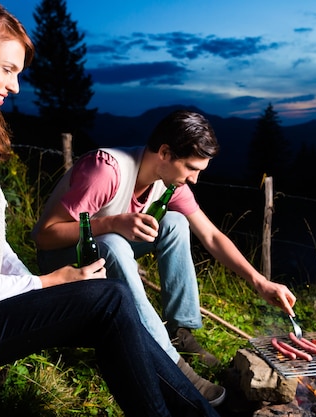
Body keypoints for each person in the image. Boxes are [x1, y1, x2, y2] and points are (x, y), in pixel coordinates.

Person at [0, 1, 223, 415]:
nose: (15, 87)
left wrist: (44, 282)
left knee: (106, 297)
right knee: (106, 300)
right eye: (7, 69)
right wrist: (46, 284)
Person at [31, 111, 297, 372]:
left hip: (106, 258)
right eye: (191, 168)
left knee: (175, 223)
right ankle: (165, 357)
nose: (195, 179)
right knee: (113, 242)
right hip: (64, 263)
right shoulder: (105, 170)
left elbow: (212, 236)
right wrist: (112, 223)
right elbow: (44, 237)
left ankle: (180, 330)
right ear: (166, 153)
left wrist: (260, 282)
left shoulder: (170, 184)